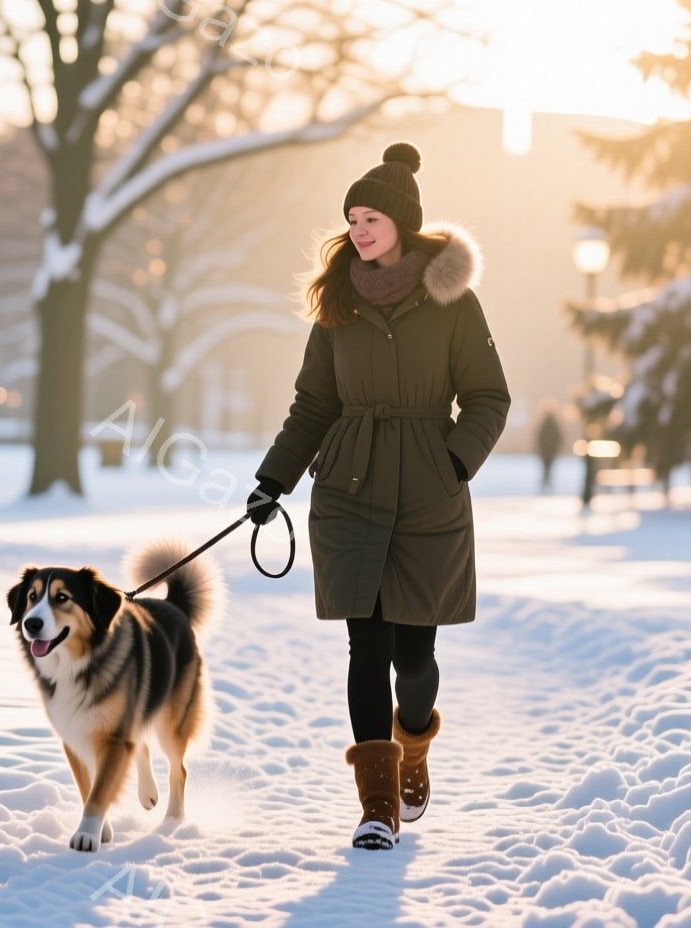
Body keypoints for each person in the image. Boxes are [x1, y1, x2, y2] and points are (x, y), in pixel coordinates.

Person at [246, 142, 512, 851]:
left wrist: (451, 462)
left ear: (402, 223)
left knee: (414, 661)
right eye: (352, 219)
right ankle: (377, 805)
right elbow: (314, 404)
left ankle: (412, 742)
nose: (359, 230)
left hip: (428, 493)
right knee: (366, 648)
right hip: (351, 488)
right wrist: (273, 480)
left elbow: (489, 397)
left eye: (371, 218)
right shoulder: (337, 303)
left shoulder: (454, 300)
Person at [536, 400, 562, 490]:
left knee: (546, 465)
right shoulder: (553, 425)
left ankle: (546, 480)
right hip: (549, 449)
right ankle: (546, 480)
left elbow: (540, 437)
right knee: (548, 465)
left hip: (547, 449)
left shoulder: (546, 425)